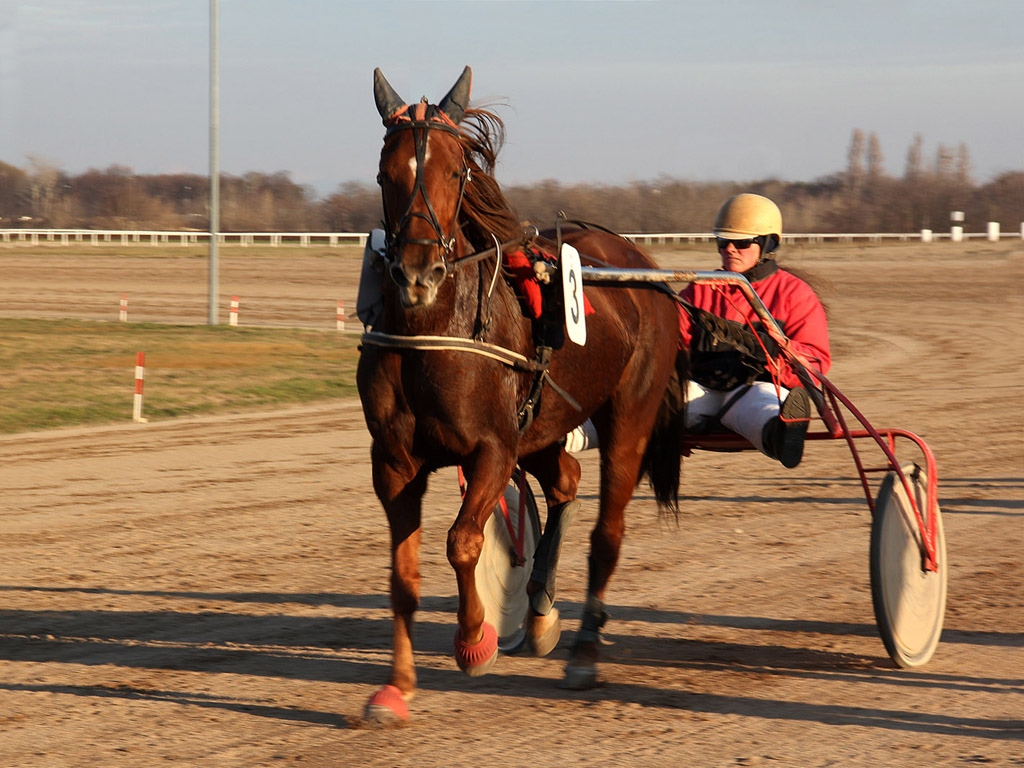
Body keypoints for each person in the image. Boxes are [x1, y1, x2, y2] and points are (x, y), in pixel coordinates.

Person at [565, 193, 830, 468]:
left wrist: (774, 353)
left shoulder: (795, 294)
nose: (729, 249)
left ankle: (782, 434)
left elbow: (815, 361)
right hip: (701, 387)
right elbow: (668, 340)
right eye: (723, 241)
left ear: (768, 244)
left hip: (758, 387)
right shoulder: (701, 288)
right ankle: (563, 435)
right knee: (638, 405)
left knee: (762, 407)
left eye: (741, 242)